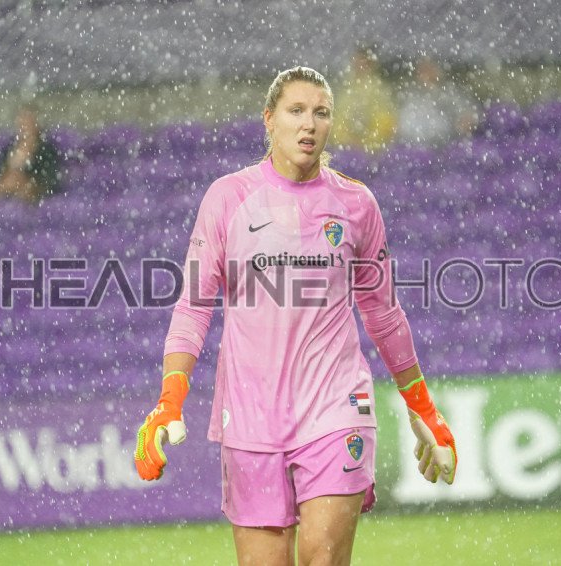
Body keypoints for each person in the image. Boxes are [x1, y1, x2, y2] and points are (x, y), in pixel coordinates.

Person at [134, 66, 457, 566]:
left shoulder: (355, 204)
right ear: (269, 119)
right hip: (250, 413)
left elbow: (383, 313)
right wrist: (169, 399)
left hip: (336, 405)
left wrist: (424, 407)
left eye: (321, 113)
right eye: (296, 111)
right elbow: (193, 305)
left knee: (322, 558)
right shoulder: (228, 198)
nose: (309, 124)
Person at [0, 105, 60, 204]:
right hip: (6, 190)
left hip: (34, 193)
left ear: (36, 124)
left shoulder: (46, 150)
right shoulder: (9, 147)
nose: (24, 125)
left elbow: (48, 178)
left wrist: (23, 180)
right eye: (22, 121)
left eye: (28, 121)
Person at [397, 56, 481, 146]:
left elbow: (470, 114)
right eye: (423, 71)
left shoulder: (451, 93)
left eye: (430, 70)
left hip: (451, 143)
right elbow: (406, 125)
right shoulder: (412, 96)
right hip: (420, 145)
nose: (427, 75)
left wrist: (464, 122)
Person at [331, 47, 398, 151]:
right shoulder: (345, 88)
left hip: (374, 151)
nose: (360, 66)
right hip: (346, 149)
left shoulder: (380, 90)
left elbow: (386, 122)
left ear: (372, 64)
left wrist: (367, 143)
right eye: (358, 61)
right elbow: (336, 120)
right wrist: (346, 141)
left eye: (364, 62)